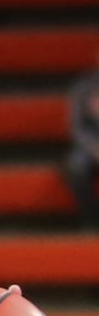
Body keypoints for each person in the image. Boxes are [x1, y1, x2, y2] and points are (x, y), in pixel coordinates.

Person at [66, 49, 99, 223]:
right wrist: (94, 147)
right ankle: (90, 219)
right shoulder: (83, 87)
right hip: (89, 144)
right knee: (75, 167)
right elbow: (76, 127)